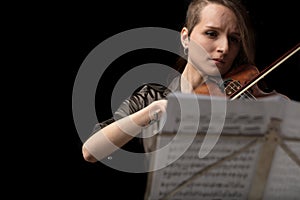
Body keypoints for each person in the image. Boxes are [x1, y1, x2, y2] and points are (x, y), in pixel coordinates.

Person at [82, 0, 280, 163]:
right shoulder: (151, 96)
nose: (224, 47)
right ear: (185, 38)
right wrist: (150, 112)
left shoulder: (241, 102)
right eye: (211, 33)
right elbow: (91, 151)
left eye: (234, 39)